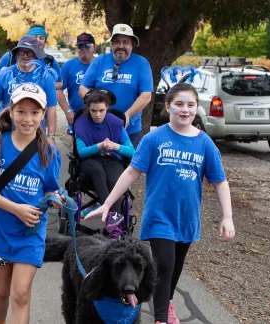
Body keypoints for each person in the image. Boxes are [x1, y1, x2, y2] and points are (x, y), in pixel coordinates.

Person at [85, 83, 235, 324]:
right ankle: (161, 319)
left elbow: (220, 181)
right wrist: (107, 203)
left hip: (187, 219)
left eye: (190, 105)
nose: (185, 110)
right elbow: (132, 172)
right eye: (179, 104)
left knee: (174, 269)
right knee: (164, 265)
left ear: (196, 108)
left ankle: (168, 301)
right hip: (159, 217)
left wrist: (227, 216)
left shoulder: (204, 143)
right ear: (168, 106)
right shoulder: (154, 139)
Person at [0, 83, 63, 324]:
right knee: (2, 292)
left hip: (30, 233)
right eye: (21, 111)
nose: (28, 118)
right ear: (10, 111)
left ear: (43, 115)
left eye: (35, 112)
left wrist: (55, 198)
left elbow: (50, 187)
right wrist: (16, 209)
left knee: (21, 293)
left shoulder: (50, 153)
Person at [79, 23, 153, 148]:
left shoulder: (141, 63)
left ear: (132, 45)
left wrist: (127, 115)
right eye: (117, 42)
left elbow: (146, 96)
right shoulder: (99, 61)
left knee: (132, 166)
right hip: (100, 128)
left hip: (131, 130)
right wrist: (96, 106)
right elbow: (82, 88)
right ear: (112, 43)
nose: (121, 46)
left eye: (126, 42)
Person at [74, 89, 135, 217]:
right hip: (90, 161)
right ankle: (112, 216)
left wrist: (114, 146)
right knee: (98, 171)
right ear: (88, 109)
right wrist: (100, 146)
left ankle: (113, 222)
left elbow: (132, 152)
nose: (97, 115)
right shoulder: (81, 124)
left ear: (107, 108)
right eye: (93, 111)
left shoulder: (116, 123)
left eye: (101, 110)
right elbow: (81, 152)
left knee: (115, 179)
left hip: (112, 159)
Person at [0, 36, 58, 145]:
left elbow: (51, 109)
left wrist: (51, 136)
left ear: (35, 55)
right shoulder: (5, 74)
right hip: (7, 131)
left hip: (35, 133)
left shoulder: (45, 77)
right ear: (17, 54)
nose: (25, 56)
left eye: (29, 53)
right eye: (22, 52)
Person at [0, 24, 63, 91]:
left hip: (40, 101)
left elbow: (60, 83)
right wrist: (7, 79)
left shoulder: (49, 61)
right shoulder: (10, 56)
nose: (38, 40)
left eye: (41, 38)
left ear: (45, 42)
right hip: (10, 101)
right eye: (34, 37)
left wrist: (47, 85)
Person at [58, 33, 96, 134]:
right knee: (76, 148)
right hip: (77, 117)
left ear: (94, 48)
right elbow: (58, 90)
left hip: (99, 116)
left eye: (87, 46)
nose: (83, 49)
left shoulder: (100, 65)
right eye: (80, 46)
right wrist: (67, 112)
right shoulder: (68, 66)